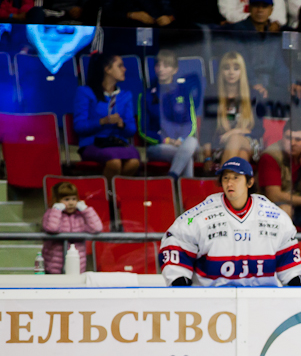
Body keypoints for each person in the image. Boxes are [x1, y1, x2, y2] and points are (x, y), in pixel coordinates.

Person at [160, 157, 301, 287]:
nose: (230, 183)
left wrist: (294, 277)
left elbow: (289, 260)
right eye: (226, 178)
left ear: (250, 182)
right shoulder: (201, 214)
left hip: (262, 301)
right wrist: (178, 277)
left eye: (236, 177)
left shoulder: (275, 217)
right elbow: (176, 238)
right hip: (212, 301)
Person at [73, 53, 141, 183]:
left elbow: (132, 129)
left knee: (134, 162)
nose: (124, 69)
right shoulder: (85, 92)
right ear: (107, 69)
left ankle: (116, 192)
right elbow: (79, 127)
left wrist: (122, 124)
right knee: (114, 162)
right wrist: (102, 122)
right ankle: (108, 193)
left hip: (118, 142)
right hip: (93, 143)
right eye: (120, 66)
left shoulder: (126, 95)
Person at [140, 49, 201, 180]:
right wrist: (165, 140)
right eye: (158, 65)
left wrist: (181, 140)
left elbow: (190, 123)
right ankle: (183, 186)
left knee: (192, 141)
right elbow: (143, 129)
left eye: (166, 66)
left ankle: (171, 178)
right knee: (187, 156)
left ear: (175, 69)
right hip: (159, 146)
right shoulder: (147, 95)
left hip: (183, 143)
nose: (161, 69)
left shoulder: (184, 92)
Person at [200, 51, 266, 171]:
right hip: (221, 146)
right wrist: (207, 157)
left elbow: (258, 130)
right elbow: (206, 130)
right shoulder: (213, 94)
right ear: (221, 71)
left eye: (236, 68)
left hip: (250, 143)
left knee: (235, 139)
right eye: (227, 68)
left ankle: (222, 178)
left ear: (242, 71)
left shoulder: (254, 94)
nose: (231, 72)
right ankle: (234, 182)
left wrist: (234, 132)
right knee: (242, 155)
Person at [225, 0, 286, 111]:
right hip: (245, 85)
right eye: (256, 6)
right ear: (249, 8)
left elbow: (279, 65)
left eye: (264, 6)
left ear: (271, 10)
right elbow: (241, 63)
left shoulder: (273, 32)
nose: (260, 10)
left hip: (270, 84)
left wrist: (291, 83)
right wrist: (254, 83)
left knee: (296, 95)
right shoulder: (238, 30)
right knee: (258, 96)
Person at [41, 181, 102, 274]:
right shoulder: (51, 213)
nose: (71, 203)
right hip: (54, 267)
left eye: (74, 199)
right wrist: (56, 210)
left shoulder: (80, 216)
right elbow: (52, 228)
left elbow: (97, 228)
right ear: (57, 200)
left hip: (77, 267)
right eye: (66, 199)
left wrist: (86, 210)